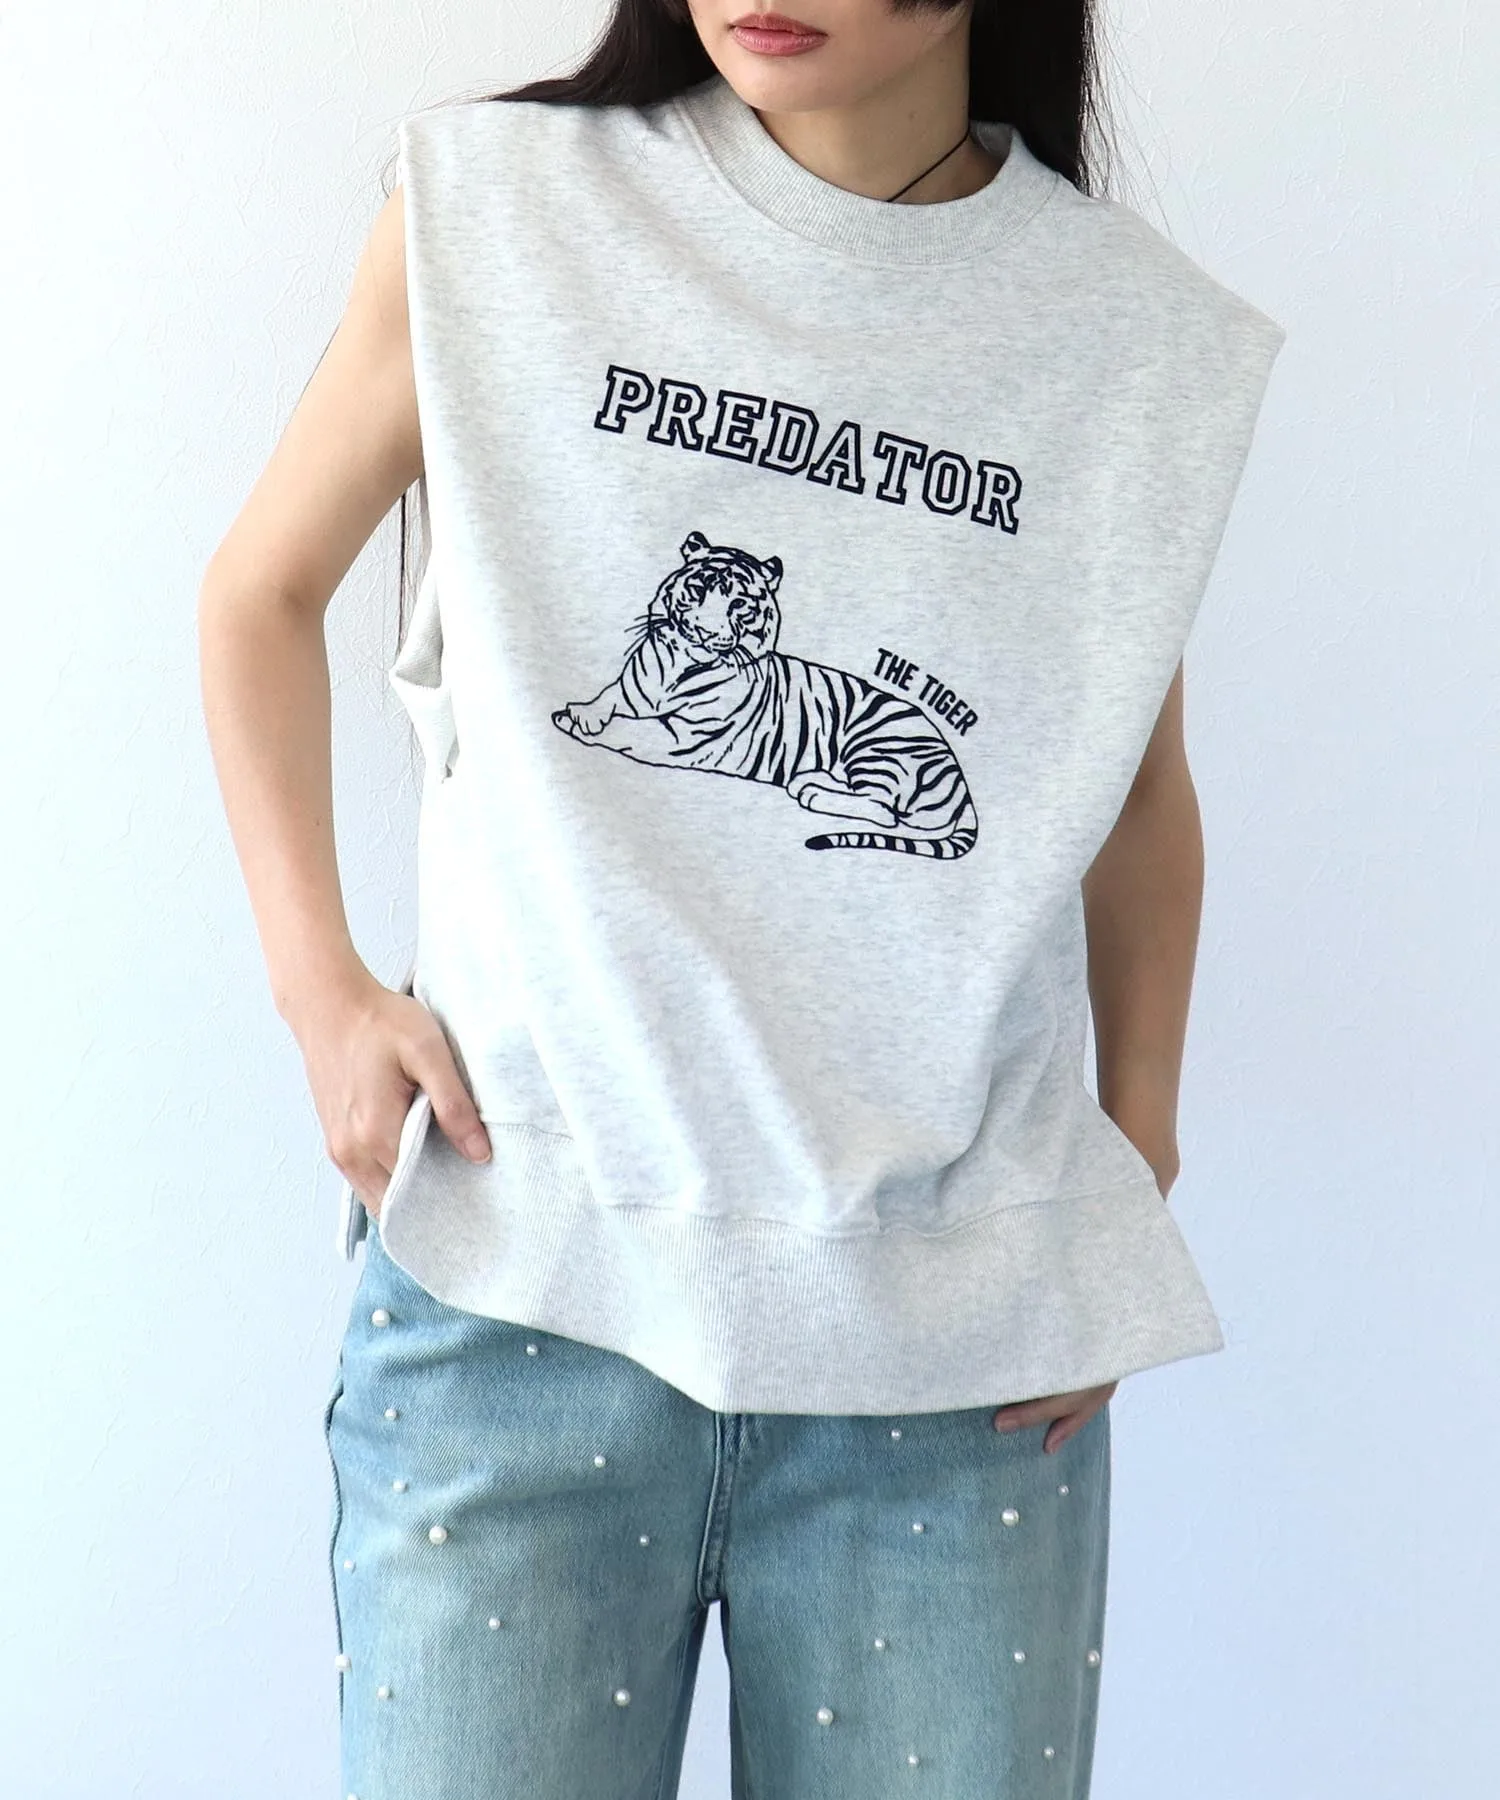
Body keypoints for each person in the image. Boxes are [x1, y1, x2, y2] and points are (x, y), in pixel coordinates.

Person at [198, 3, 1286, 1795]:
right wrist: (323, 995)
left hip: (953, 1364)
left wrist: (1138, 1145)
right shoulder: (496, 206)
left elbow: (1134, 791)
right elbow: (259, 591)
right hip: (515, 1291)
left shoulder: (1136, 343)